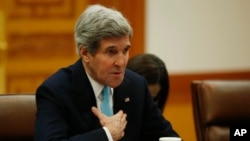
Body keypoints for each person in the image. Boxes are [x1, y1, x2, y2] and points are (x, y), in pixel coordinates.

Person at [34, 4, 180, 141]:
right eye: (111, 52)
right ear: (85, 53)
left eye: (125, 51)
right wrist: (107, 135)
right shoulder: (55, 91)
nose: (121, 62)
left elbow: (167, 136)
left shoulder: (136, 86)